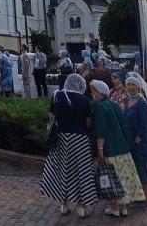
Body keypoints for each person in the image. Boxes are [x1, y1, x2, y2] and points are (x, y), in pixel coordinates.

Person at [40, 74, 97, 218]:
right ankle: (81, 206)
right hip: (80, 139)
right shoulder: (84, 100)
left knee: (62, 169)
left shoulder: (56, 95)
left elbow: (51, 117)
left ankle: (63, 204)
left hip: (61, 137)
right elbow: (88, 122)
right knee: (82, 171)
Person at [90, 79, 145, 217]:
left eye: (93, 91)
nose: (92, 94)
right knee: (124, 179)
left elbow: (101, 131)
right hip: (123, 149)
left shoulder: (100, 108)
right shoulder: (113, 104)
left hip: (110, 149)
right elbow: (123, 124)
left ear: (98, 92)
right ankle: (123, 208)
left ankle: (114, 207)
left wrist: (100, 150)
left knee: (112, 181)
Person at [124, 76, 147, 210]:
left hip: (141, 144)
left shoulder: (142, 103)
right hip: (130, 143)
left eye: (133, 84)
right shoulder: (127, 100)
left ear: (138, 87)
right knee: (135, 171)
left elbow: (146, 124)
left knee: (143, 171)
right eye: (128, 84)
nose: (130, 87)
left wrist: (139, 136)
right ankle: (138, 197)